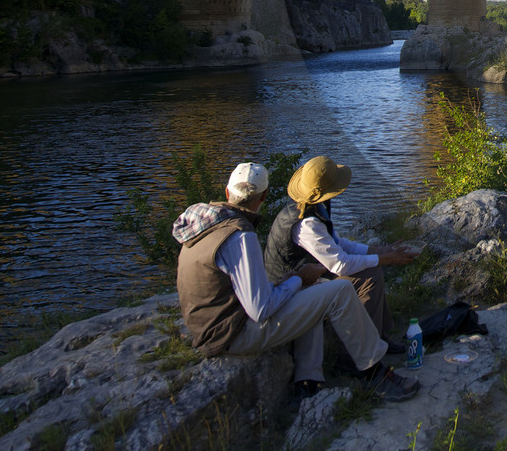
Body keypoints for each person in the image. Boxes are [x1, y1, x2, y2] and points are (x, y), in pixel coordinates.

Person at [173, 161, 420, 401]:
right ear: (264, 195)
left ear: (227, 192)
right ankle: (373, 373)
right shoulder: (240, 236)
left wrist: (298, 282)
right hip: (231, 334)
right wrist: (297, 279)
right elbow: (260, 309)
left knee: (310, 292)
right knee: (340, 290)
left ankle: (308, 383)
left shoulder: (206, 225)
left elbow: (336, 245)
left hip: (209, 329)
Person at [263, 155, 417, 352]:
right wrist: (384, 259)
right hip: (290, 285)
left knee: (372, 272)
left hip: (311, 271)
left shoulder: (314, 207)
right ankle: (358, 353)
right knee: (369, 278)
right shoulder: (306, 223)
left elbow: (337, 243)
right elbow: (339, 265)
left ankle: (378, 337)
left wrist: (378, 250)